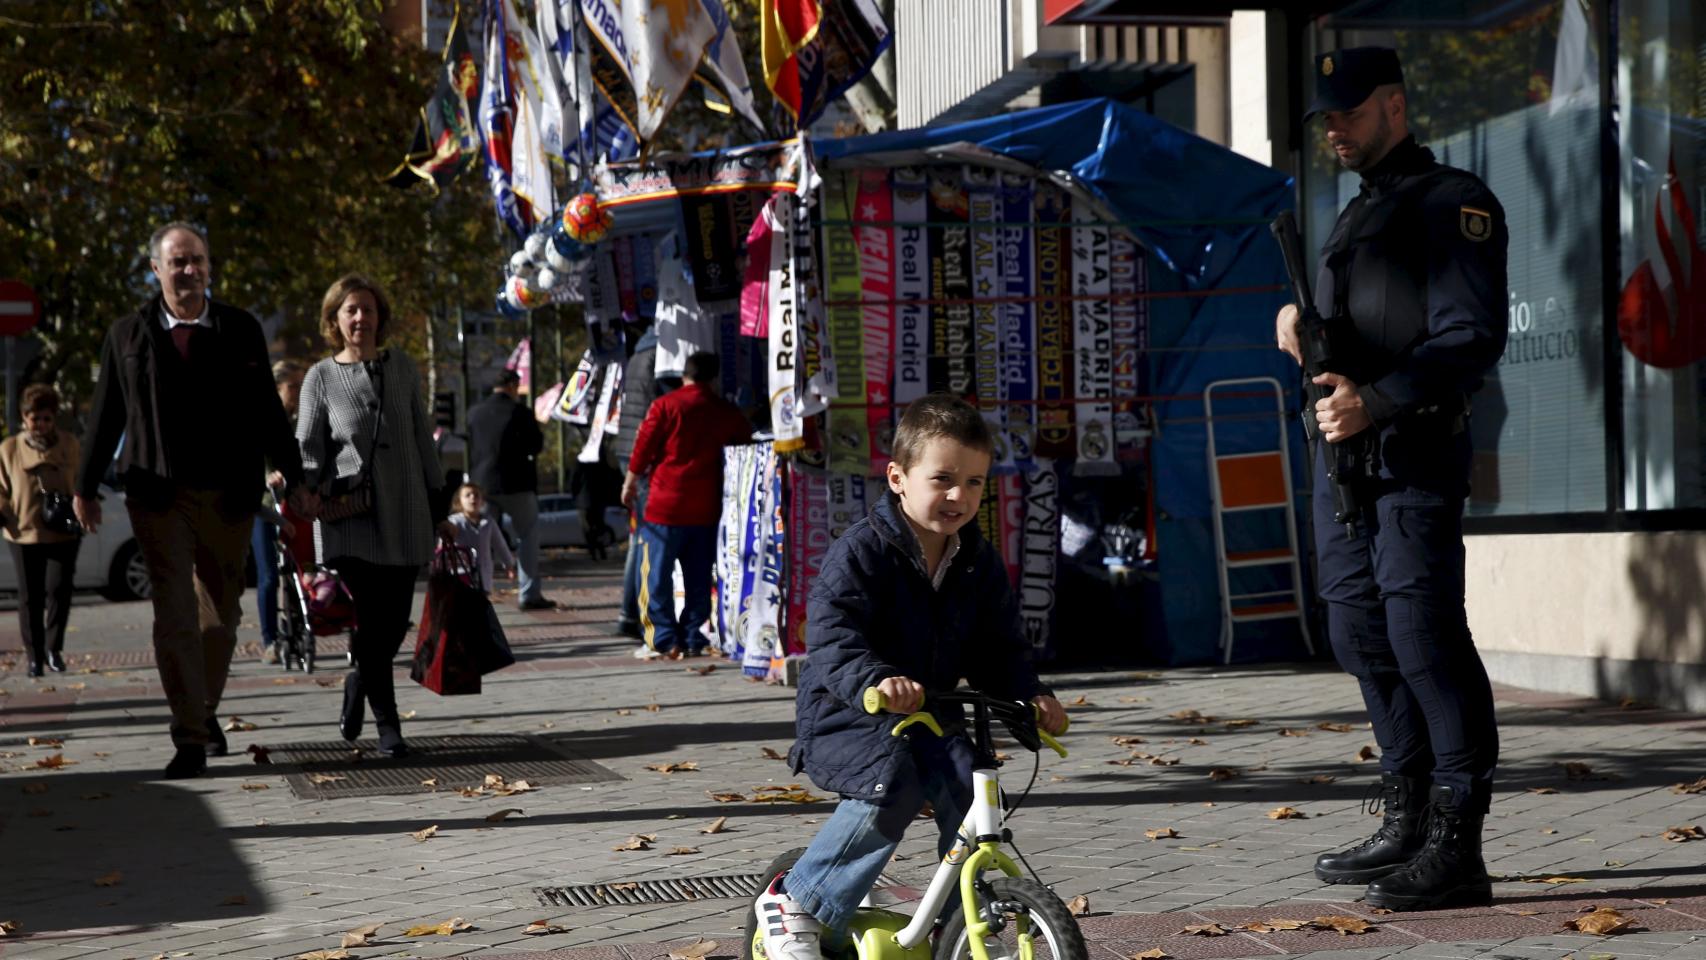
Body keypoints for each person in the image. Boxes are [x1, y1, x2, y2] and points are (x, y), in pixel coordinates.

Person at [1275, 47, 1508, 912]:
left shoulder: (1453, 204)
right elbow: (1364, 325)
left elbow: (1470, 338)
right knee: (1360, 635)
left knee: (1424, 640)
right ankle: (1406, 818)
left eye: (1348, 110)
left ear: (1395, 105)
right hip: (1345, 464)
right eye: (1325, 116)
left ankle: (1458, 845)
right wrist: (1300, 321)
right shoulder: (1354, 213)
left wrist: (1378, 402)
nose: (1333, 126)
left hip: (1411, 455)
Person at [752, 393, 1068, 960]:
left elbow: (999, 647)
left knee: (970, 785)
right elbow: (832, 636)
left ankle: (964, 923)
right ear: (898, 477)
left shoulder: (976, 560)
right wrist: (878, 679)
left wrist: (1031, 694)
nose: (959, 496)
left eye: (974, 483)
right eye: (943, 478)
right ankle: (796, 898)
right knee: (893, 780)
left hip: (930, 711)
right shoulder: (862, 553)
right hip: (850, 711)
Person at [76, 221, 311, 780]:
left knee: (220, 620)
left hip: (229, 492)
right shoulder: (127, 334)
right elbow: (105, 411)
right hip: (156, 492)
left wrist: (294, 477)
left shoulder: (241, 328)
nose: (189, 270)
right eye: (177, 261)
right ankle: (188, 737)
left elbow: (266, 411)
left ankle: (203, 711)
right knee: (175, 614)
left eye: (197, 260)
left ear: (208, 267)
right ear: (156, 269)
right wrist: (84, 485)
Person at [297, 274, 444, 759]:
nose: (360, 318)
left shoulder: (401, 367)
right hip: (352, 516)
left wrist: (438, 497)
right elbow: (309, 445)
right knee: (372, 616)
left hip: (404, 512)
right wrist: (303, 486)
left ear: (380, 317)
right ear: (335, 320)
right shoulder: (320, 377)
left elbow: (421, 435)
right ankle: (390, 730)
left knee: (393, 623)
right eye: (350, 310)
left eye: (368, 310)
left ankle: (360, 675)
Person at [620, 351, 752, 658]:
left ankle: (663, 638)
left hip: (664, 507)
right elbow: (745, 441)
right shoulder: (725, 411)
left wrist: (629, 483)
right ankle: (694, 636)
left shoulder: (665, 406)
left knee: (654, 575)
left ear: (683, 374)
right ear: (714, 377)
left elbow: (643, 448)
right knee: (698, 578)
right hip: (705, 507)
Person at [0, 384, 82, 678]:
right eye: (35, 418)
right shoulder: (9, 448)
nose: (41, 425)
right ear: (24, 418)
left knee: (59, 590)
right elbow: (1, 489)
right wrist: (6, 516)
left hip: (63, 529)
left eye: (46, 418)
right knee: (30, 596)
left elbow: (81, 480)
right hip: (24, 531)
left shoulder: (69, 444)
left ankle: (53, 649)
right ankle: (34, 657)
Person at [611, 322, 675, 639]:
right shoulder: (662, 355)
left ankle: (628, 612)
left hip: (628, 446)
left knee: (640, 535)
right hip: (645, 450)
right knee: (648, 536)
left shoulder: (638, 354)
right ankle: (638, 613)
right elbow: (665, 402)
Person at [467, 368, 548, 610]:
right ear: (513, 386)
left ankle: (478, 588)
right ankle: (528, 593)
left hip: (483, 485)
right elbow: (536, 445)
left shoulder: (474, 414)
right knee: (527, 535)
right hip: (517, 484)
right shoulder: (521, 412)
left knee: (481, 539)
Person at [254, 359, 307, 664]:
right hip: (264, 504)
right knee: (269, 576)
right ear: (277, 388)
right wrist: (266, 476)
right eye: (293, 386)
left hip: (297, 505)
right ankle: (270, 640)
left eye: (301, 385)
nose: (298, 392)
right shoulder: (261, 417)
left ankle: (303, 625)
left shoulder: (302, 418)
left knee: (306, 568)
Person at [447, 481, 515, 593]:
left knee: (482, 603)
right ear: (459, 501)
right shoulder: (454, 522)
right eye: (467, 495)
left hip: (484, 574)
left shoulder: (488, 522)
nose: (472, 497)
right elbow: (443, 546)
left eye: (476, 495)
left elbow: (500, 544)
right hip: (461, 574)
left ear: (482, 501)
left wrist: (509, 564)